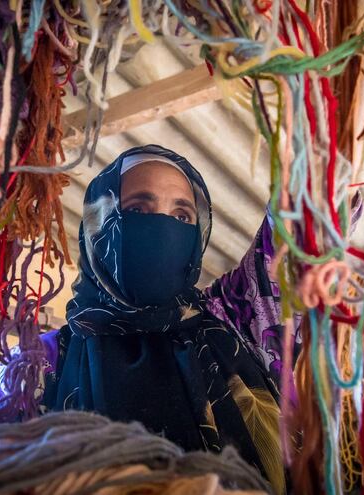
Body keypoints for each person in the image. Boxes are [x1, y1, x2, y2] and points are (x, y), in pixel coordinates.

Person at [39, 144, 293, 493]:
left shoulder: (231, 317)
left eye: (182, 217)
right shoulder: (43, 361)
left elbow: (292, 234)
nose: (162, 226)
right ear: (99, 225)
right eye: (139, 209)